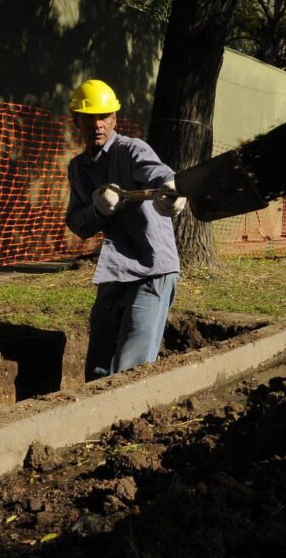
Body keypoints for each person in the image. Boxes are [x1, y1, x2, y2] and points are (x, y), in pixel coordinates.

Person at [64, 79, 186, 381]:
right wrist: (97, 211)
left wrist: (170, 188)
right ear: (75, 120)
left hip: (152, 267)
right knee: (98, 366)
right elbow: (77, 223)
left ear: (115, 118)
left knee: (133, 366)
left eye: (104, 116)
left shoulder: (131, 150)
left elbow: (158, 173)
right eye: (89, 117)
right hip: (116, 270)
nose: (97, 124)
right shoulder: (78, 168)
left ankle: (126, 425)